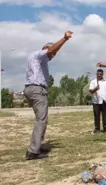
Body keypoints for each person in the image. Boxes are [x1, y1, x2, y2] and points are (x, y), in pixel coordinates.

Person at [24, 30, 73, 160]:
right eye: (53, 53)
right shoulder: (39, 55)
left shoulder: (36, 59)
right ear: (45, 49)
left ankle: (38, 145)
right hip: (37, 90)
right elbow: (50, 50)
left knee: (41, 119)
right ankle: (33, 151)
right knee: (41, 120)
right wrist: (64, 39)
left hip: (31, 89)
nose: (53, 56)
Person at [89, 69, 106, 134]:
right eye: (98, 74)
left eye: (100, 74)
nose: (99, 75)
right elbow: (91, 91)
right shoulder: (93, 82)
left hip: (105, 101)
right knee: (96, 115)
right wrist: (96, 88)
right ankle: (97, 129)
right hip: (96, 102)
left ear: (103, 74)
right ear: (96, 74)